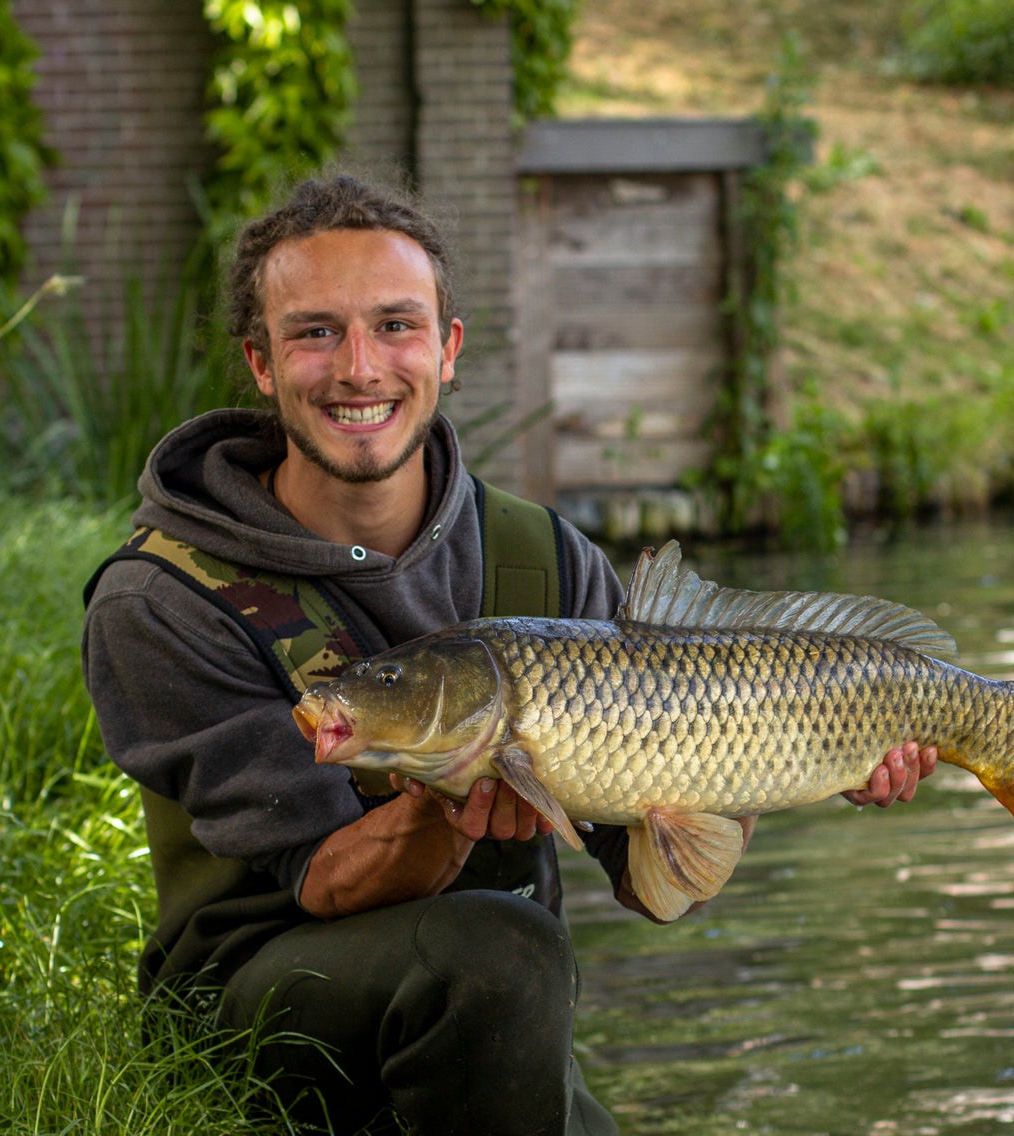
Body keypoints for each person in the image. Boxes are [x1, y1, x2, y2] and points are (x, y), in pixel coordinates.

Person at [81, 175, 936, 1136]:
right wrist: (448, 809)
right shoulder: (166, 593)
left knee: (507, 961)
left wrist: (811, 752)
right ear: (262, 364)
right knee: (498, 949)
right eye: (316, 332)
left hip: (498, 1030)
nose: (361, 367)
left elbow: (654, 884)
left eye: (396, 326)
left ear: (447, 349)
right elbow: (322, 877)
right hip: (261, 1016)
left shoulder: (541, 554)